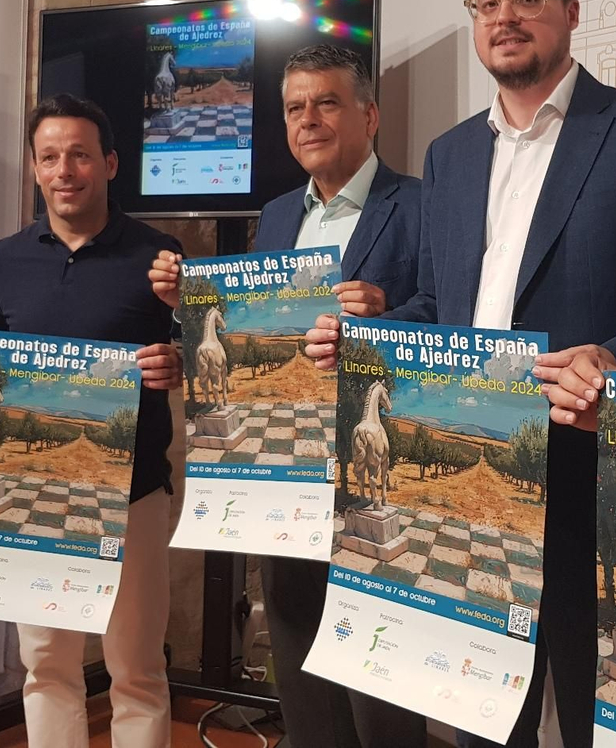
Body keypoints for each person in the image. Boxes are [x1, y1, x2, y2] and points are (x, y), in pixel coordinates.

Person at [304, 0, 616, 748]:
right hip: (480, 477)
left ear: (570, 10)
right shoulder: (451, 155)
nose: (506, 17)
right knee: (480, 714)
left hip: (586, 471)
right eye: (487, 2)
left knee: (589, 710)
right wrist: (368, 339)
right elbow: (438, 304)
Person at [150, 44, 426, 748]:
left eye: (327, 103)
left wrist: (388, 313)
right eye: (295, 107)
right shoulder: (275, 216)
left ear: (369, 115)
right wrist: (191, 309)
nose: (309, 120)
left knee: (379, 678)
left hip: (375, 471)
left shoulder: (422, 205)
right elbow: (252, 334)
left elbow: (451, 315)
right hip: (283, 467)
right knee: (300, 665)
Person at [0, 94, 184, 748]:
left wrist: (178, 362)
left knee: (137, 672)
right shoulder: (7, 258)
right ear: (35, 168)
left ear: (110, 163)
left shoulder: (160, 257)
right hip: (31, 496)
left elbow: (203, 354)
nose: (65, 171)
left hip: (134, 496)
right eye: (49, 158)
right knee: (46, 670)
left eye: (79, 156)